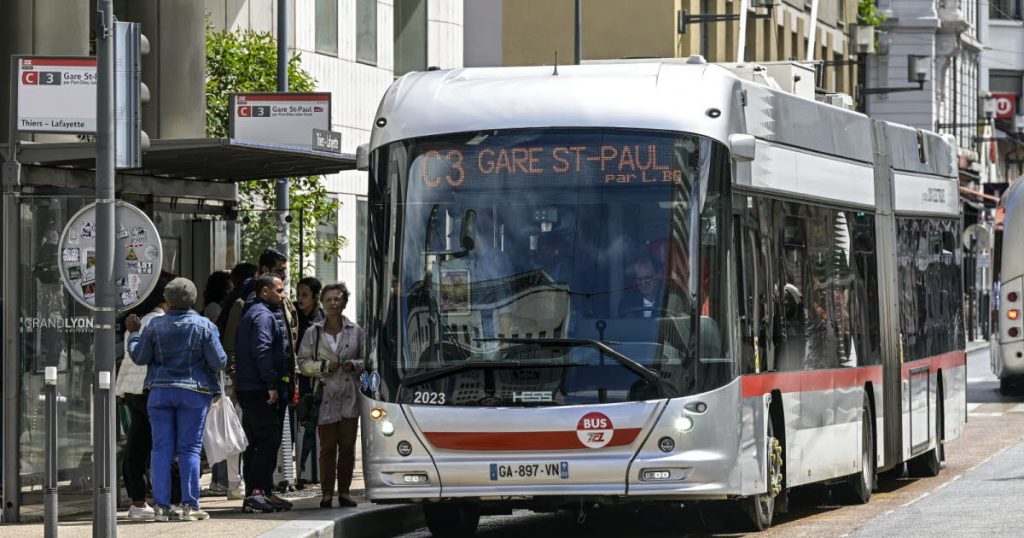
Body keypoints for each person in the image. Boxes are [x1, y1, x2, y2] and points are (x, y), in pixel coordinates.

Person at [126, 278, 227, 522]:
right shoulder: (204, 325)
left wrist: (133, 334)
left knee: (160, 449)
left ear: (167, 300)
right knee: (190, 449)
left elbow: (140, 357)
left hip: (159, 392)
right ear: (193, 299)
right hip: (194, 392)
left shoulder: (154, 326)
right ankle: (190, 506)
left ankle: (161, 506)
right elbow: (219, 362)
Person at [115, 277, 182, 521]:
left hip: (134, 391)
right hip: (155, 390)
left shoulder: (138, 321)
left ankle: (138, 501)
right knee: (167, 446)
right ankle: (174, 500)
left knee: (138, 446)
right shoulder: (161, 322)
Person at [297, 282, 364, 508]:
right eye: (329, 299)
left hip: (349, 395)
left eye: (338, 299)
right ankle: (327, 494)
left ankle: (344, 492)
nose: (334, 303)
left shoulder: (356, 331)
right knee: (327, 448)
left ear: (344, 302)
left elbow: (369, 360)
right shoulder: (312, 333)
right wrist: (324, 367)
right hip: (324, 395)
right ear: (322, 303)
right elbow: (302, 363)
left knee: (347, 447)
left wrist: (354, 365)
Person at [234, 273, 295, 513]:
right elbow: (262, 349)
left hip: (253, 386)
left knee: (258, 441)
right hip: (260, 388)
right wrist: (271, 383)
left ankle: (262, 492)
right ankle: (257, 493)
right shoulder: (261, 315)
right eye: (279, 291)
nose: (283, 295)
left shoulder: (258, 312)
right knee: (267, 439)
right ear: (265, 292)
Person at [295, 276, 325, 488]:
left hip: (317, 377)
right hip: (299, 377)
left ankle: (314, 472)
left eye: (304, 295)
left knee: (316, 423)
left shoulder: (322, 319)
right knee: (303, 421)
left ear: (315, 297)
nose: (299, 299)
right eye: (298, 294)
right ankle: (303, 472)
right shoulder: (294, 316)